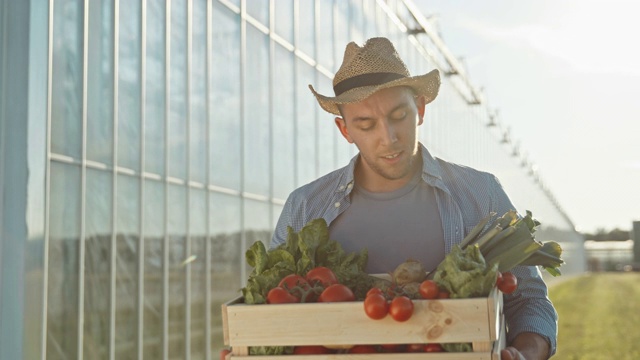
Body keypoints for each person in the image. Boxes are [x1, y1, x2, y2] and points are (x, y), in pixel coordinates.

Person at [270, 37, 557, 360]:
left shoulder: (481, 193)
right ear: (345, 130)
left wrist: (527, 353)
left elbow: (529, 299)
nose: (388, 138)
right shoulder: (305, 206)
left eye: (398, 116)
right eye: (366, 124)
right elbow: (270, 312)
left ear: (419, 109)